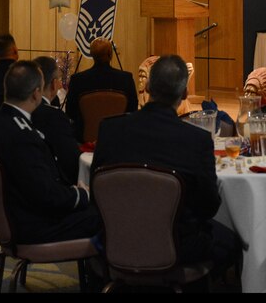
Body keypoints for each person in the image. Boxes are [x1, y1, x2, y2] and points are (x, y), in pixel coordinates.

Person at [91, 54, 240, 274]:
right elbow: (208, 206)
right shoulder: (196, 140)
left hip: (117, 238)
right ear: (185, 93)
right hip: (178, 244)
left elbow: (97, 194)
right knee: (233, 241)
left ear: (148, 86)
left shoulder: (110, 130)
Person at [0, 60, 100, 244]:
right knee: (109, 215)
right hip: (34, 225)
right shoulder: (22, 136)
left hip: (14, 216)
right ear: (36, 94)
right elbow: (46, 195)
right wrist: (82, 194)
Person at [66, 37, 138, 142]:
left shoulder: (78, 80)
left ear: (91, 55)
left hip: (84, 139)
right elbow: (132, 109)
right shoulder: (126, 79)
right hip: (119, 138)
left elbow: (70, 112)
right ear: (110, 54)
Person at [32, 56, 80, 185]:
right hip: (48, 190)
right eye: (58, 79)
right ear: (53, 84)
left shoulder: (21, 111)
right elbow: (71, 162)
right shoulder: (55, 118)